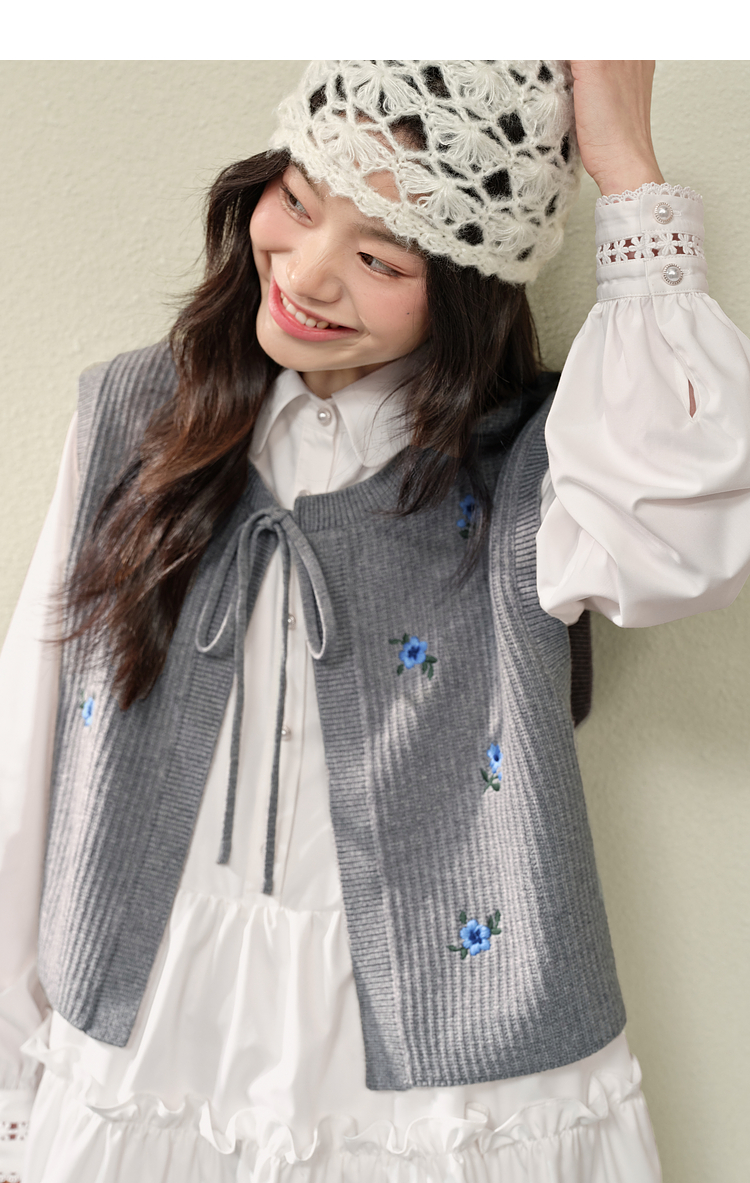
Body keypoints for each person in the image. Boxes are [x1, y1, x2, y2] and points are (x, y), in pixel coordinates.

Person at [1, 59, 749, 1183]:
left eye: (380, 258)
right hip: (149, 1029)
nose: (307, 273)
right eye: (299, 200)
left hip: (454, 1076)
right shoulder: (133, 419)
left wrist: (628, 173)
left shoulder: (532, 469)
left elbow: (686, 542)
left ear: (463, 292)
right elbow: (29, 748)